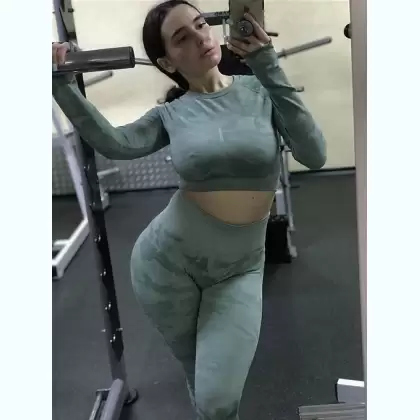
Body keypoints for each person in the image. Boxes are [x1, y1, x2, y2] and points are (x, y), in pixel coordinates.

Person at [52, 1, 326, 418]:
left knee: (218, 396)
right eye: (183, 38)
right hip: (165, 265)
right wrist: (61, 86)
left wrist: (266, 62)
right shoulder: (170, 114)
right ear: (166, 62)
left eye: (201, 25)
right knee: (203, 386)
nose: (201, 38)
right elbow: (115, 143)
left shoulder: (260, 91)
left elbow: (314, 154)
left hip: (239, 268)